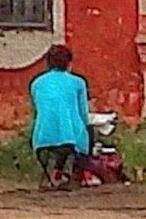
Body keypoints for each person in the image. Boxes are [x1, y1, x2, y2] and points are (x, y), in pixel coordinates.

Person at [27, 44, 91, 190]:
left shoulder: (37, 83)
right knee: (84, 135)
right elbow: (83, 115)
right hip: (70, 139)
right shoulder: (78, 83)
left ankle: (53, 175)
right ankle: (72, 175)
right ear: (69, 63)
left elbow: (37, 109)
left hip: (41, 139)